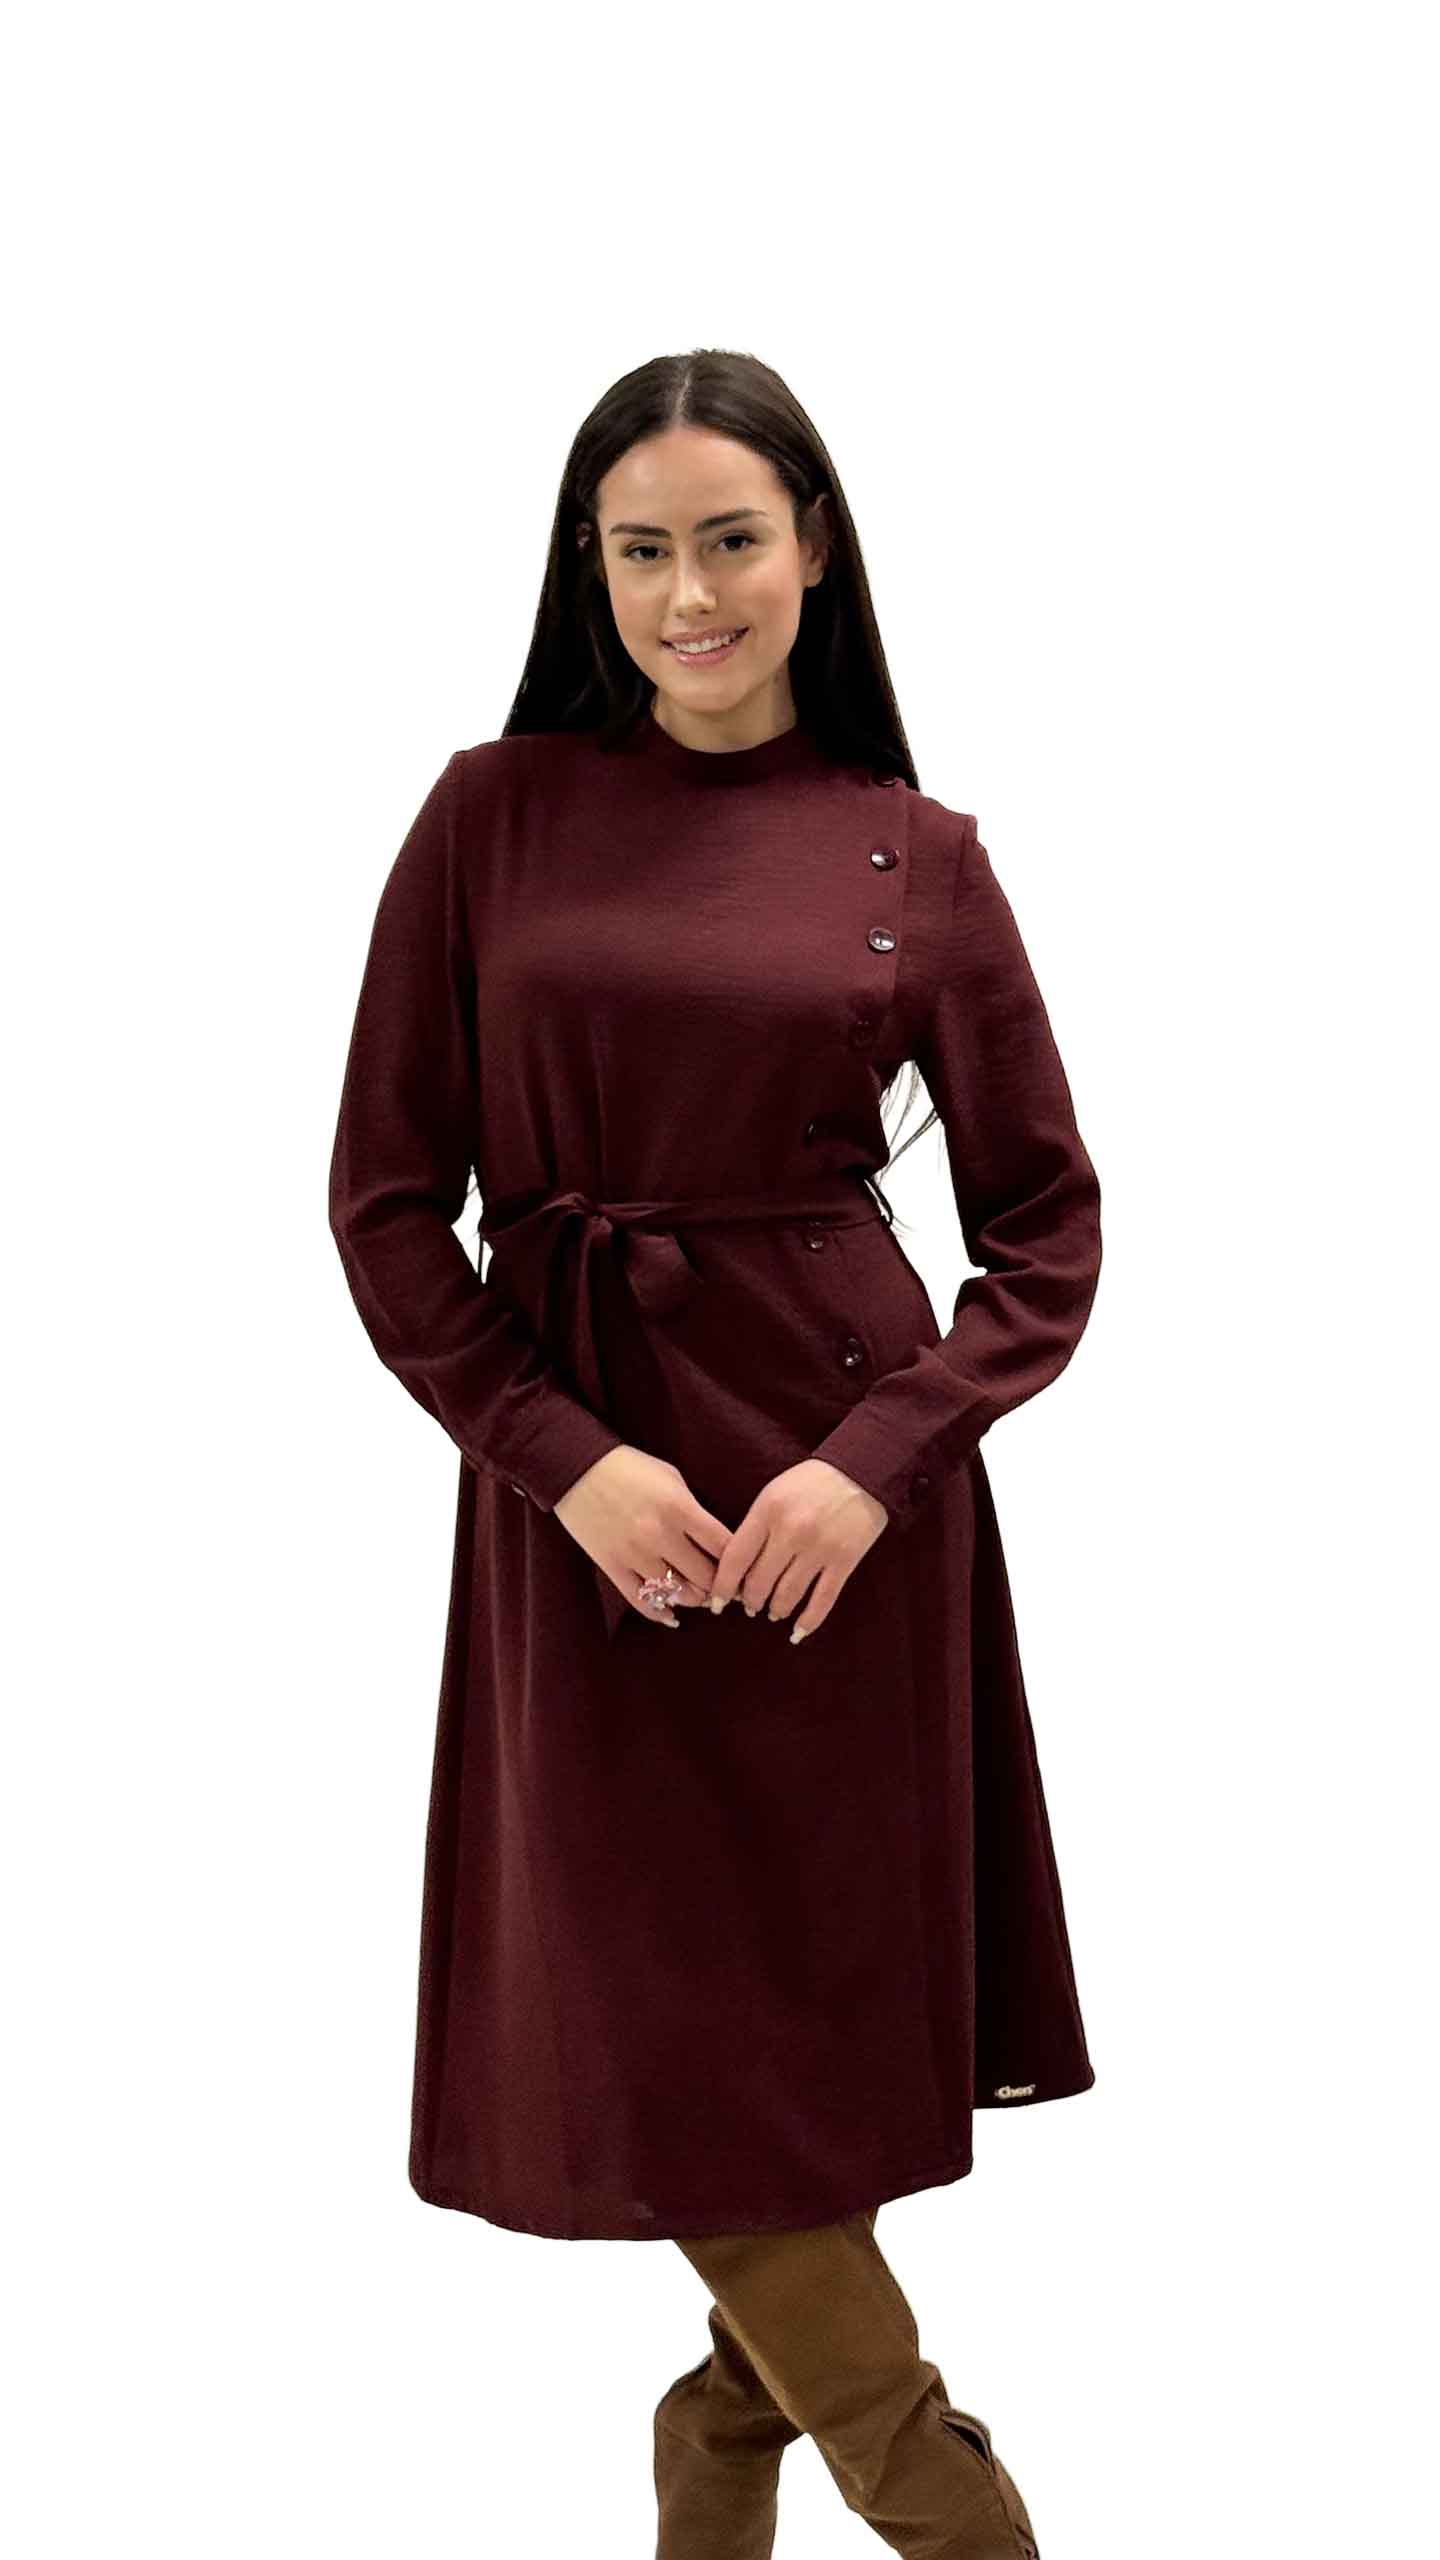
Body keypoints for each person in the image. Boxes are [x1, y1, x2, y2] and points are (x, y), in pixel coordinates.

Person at [327, 347, 1102, 2559]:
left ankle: (727, 2466)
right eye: (644, 549)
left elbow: (1047, 1233)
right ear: (590, 569)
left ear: (815, 551)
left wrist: (878, 1462)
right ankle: (952, 2513)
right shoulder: (486, 817)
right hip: (588, 1526)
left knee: (796, 2047)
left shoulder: (917, 858)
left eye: (733, 541)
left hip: (841, 1529)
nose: (691, 594)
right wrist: (560, 1458)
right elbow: (386, 1204)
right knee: (669, 2031)